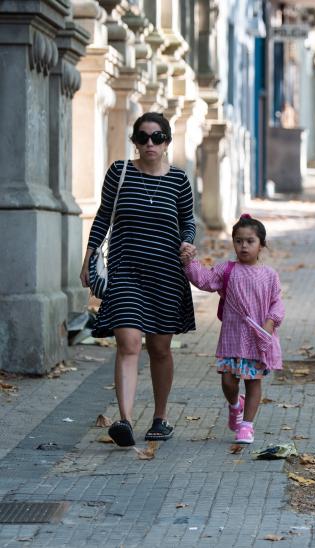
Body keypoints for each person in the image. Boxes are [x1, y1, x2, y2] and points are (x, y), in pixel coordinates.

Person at [80, 112, 196, 447]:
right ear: (134, 141)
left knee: (159, 349)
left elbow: (188, 220)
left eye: (157, 138)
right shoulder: (119, 172)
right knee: (128, 343)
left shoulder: (179, 180)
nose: (149, 143)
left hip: (166, 275)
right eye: (143, 137)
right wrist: (89, 254)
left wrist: (188, 242)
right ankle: (126, 421)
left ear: (167, 142)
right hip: (125, 271)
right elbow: (105, 215)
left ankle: (161, 417)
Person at [180, 214, 284, 444]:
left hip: (257, 339)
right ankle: (235, 405)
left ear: (261, 245)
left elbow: (277, 302)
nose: (244, 246)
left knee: (253, 381)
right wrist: (189, 263)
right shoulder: (227, 270)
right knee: (228, 381)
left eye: (250, 241)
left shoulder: (269, 275)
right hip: (232, 338)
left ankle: (247, 426)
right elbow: (205, 281)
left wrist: (270, 322)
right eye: (238, 241)